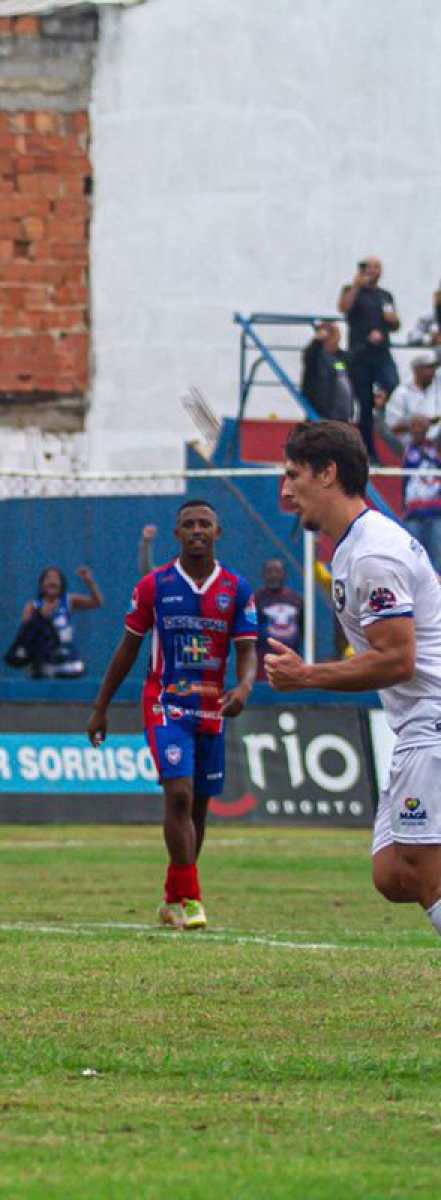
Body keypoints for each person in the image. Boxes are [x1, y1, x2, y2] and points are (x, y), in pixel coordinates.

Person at [269, 421, 441, 942]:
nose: (284, 490)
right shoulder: (357, 545)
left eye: (293, 475)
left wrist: (306, 676)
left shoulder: (371, 554)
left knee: (416, 869)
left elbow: (397, 660)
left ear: (328, 474)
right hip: (416, 723)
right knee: (391, 873)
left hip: (430, 722)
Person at [87, 499, 257, 931]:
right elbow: (127, 648)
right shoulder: (154, 586)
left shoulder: (236, 589)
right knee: (178, 795)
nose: (197, 530)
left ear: (218, 533)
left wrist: (244, 686)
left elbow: (247, 651)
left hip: (211, 708)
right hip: (166, 704)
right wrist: (101, 706)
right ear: (177, 534)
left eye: (205, 524)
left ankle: (171, 896)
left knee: (199, 806)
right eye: (188, 525)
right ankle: (193, 900)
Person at [339, 257, 401, 460]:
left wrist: (394, 321)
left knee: (393, 381)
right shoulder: (352, 290)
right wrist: (357, 285)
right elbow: (343, 308)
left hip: (381, 353)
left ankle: (380, 398)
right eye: (369, 267)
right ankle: (369, 452)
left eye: (377, 268)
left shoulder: (385, 296)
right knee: (364, 407)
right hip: (359, 355)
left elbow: (395, 323)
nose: (373, 271)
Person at [21, 565, 102, 678]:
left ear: (62, 585)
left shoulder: (69, 601)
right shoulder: (33, 606)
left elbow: (97, 602)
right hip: (44, 665)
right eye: (48, 578)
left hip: (70, 663)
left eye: (56, 578)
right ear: (41, 584)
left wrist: (89, 581)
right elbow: (25, 635)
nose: (52, 581)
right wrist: (40, 617)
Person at [398, 406, 441, 568]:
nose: (416, 430)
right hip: (414, 513)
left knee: (437, 559)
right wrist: (403, 507)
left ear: (427, 428)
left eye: (420, 425)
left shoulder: (435, 448)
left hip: (436, 512)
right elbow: (405, 480)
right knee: (414, 559)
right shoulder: (407, 450)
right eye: (413, 426)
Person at [252, 557, 304, 682]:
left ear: (285, 575)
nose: (273, 575)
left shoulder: (296, 600)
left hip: (289, 658)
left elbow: (303, 628)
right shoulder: (256, 599)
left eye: (277, 571)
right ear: (264, 575)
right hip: (263, 660)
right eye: (269, 571)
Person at [299, 320, 354, 423]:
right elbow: (310, 355)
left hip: (342, 414)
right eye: (334, 334)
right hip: (322, 414)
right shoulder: (317, 358)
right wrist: (318, 340)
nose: (338, 338)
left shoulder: (342, 357)